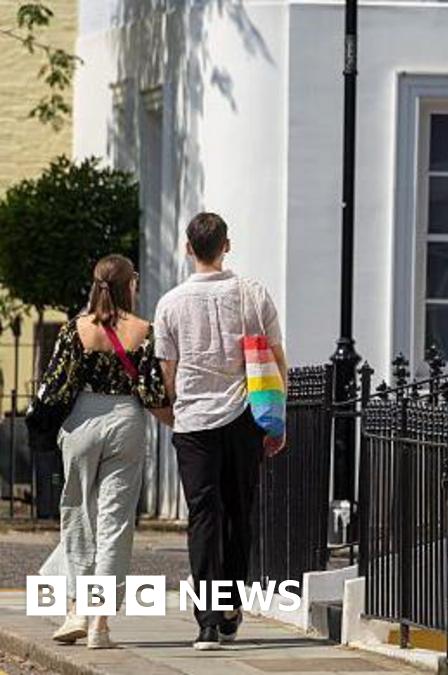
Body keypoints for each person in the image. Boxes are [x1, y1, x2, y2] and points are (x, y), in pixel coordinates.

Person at [154, 212, 287, 651]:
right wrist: (277, 418)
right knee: (239, 513)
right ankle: (230, 607)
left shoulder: (169, 303)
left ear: (188, 248)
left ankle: (207, 620)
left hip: (193, 421)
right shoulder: (254, 294)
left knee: (203, 517)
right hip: (245, 416)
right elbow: (276, 359)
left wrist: (175, 414)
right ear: (226, 245)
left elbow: (167, 373)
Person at [34, 254, 173, 649]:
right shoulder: (144, 331)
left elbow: (56, 387)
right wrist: (179, 421)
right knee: (115, 524)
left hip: (81, 420)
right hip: (126, 421)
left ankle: (76, 608)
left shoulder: (75, 330)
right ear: (130, 285)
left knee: (77, 515)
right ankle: (99, 624)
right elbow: (151, 391)